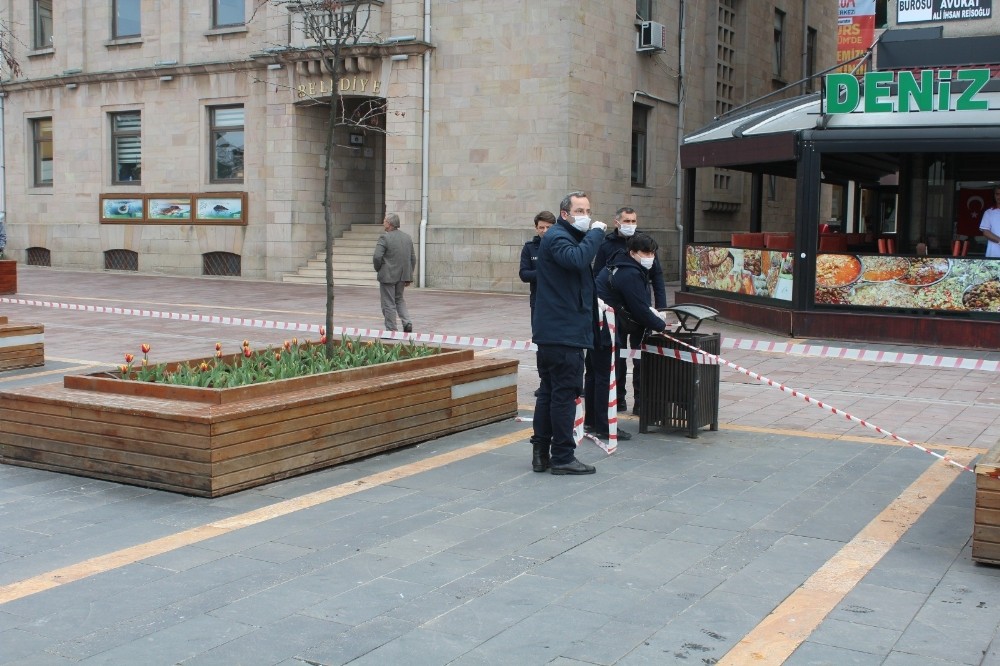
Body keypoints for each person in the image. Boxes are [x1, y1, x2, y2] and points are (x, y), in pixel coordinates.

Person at [530, 191, 607, 475]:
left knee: (549, 392)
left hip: (557, 331)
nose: (586, 216)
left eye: (588, 210)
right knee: (562, 394)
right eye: (579, 211)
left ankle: (541, 453)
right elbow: (577, 260)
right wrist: (596, 233)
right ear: (564, 214)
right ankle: (562, 456)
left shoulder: (564, 236)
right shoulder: (559, 237)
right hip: (562, 333)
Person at [591, 207, 666, 416]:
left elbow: (657, 278)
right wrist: (659, 324)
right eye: (627, 221)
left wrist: (660, 309)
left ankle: (641, 402)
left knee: (640, 357)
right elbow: (599, 275)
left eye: (634, 220)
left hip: (635, 310)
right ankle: (619, 399)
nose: (650, 257)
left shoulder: (643, 244)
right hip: (618, 315)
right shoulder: (614, 253)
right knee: (618, 358)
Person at [373, 213, 416, 332]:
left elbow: (377, 257)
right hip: (402, 276)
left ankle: (391, 329)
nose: (383, 222)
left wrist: (379, 269)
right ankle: (407, 322)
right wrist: (409, 276)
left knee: (388, 303)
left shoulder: (384, 238)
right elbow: (412, 258)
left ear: (389, 224)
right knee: (399, 299)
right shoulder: (407, 237)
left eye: (385, 220)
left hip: (388, 275)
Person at [518, 211, 555, 316]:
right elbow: (524, 274)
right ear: (536, 228)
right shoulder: (529, 248)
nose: (545, 231)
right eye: (541, 227)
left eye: (548, 227)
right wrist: (545, 272)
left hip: (559, 301)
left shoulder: (562, 246)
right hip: (538, 301)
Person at [980, 186, 1000, 258]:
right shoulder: (989, 212)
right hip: (993, 255)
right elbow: (986, 232)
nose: (999, 197)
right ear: (994, 196)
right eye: (997, 194)